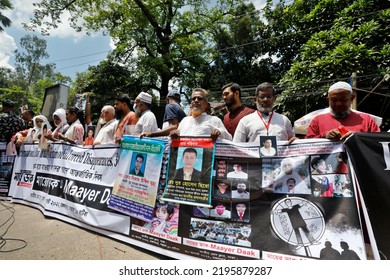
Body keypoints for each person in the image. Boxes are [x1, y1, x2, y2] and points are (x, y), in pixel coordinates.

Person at [306, 81, 381, 140]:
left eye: (343, 100)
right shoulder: (317, 121)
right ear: (328, 100)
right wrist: (324, 135)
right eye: (334, 100)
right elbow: (307, 145)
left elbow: (377, 142)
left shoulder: (367, 120)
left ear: (352, 98)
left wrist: (357, 136)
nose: (338, 104)